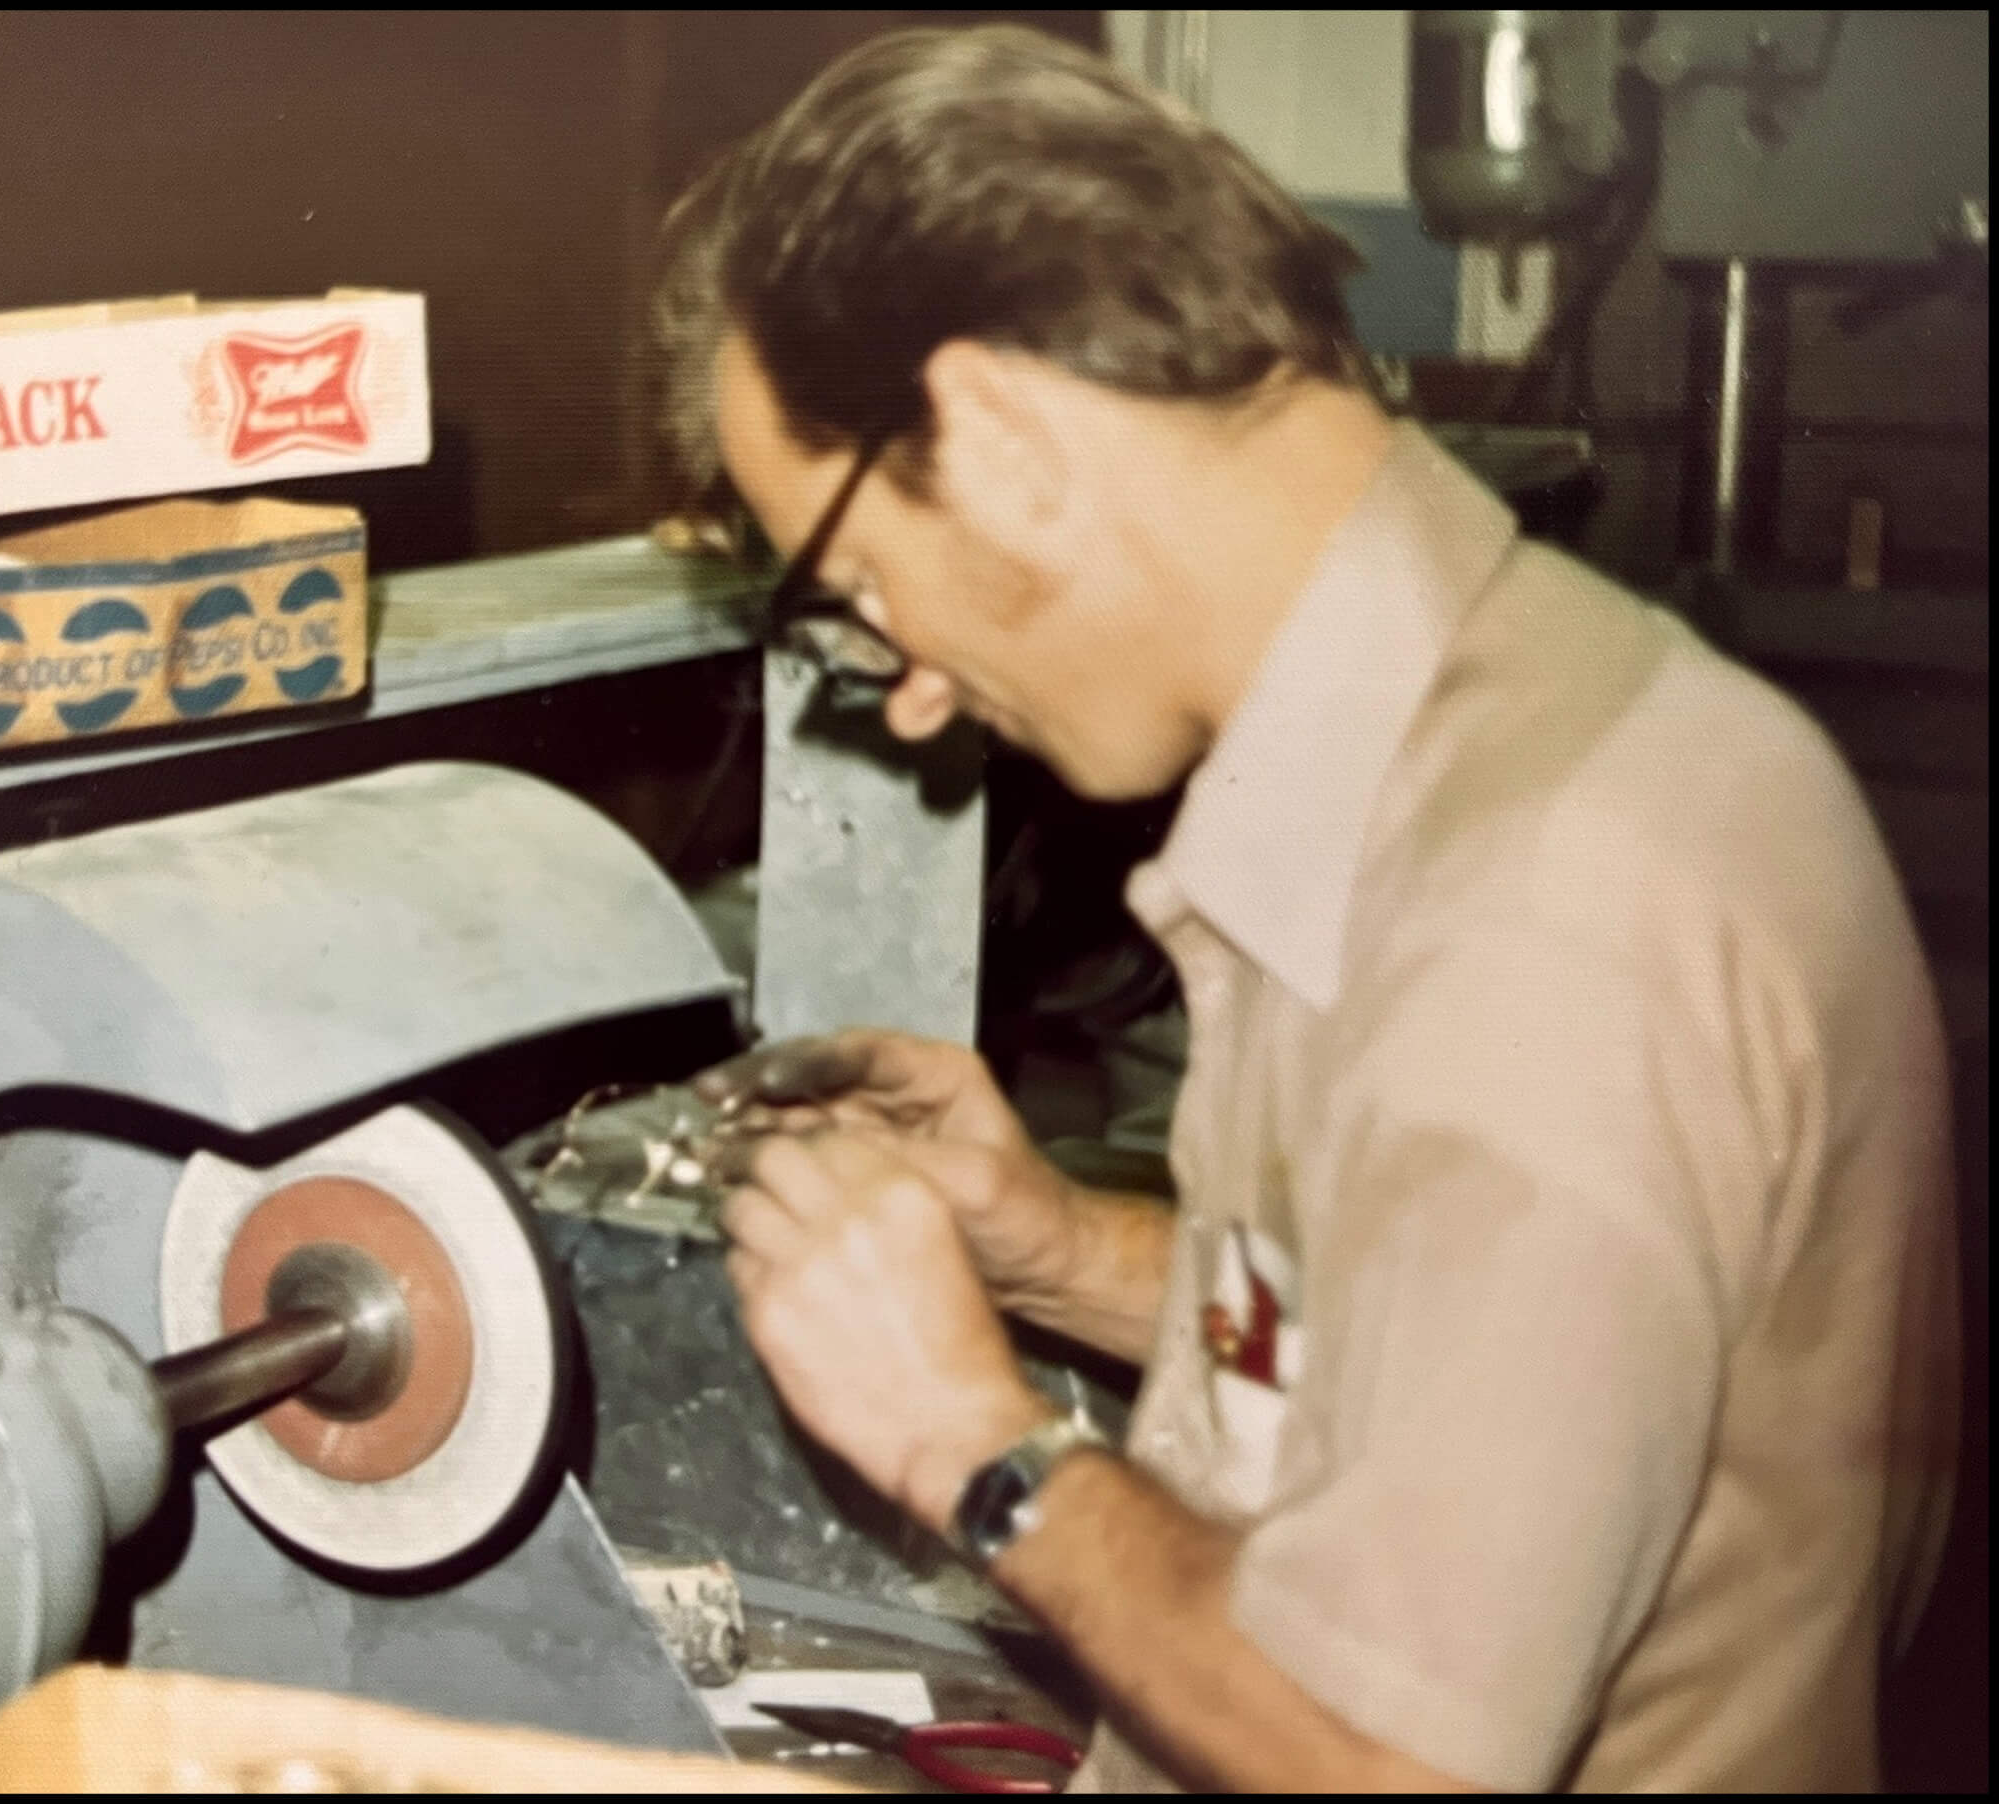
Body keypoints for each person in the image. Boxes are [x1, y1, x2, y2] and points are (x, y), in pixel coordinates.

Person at [659, 25, 1958, 1792]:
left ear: (1005, 438)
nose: (908, 693)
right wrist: (1058, 1251)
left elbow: (1395, 1763)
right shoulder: (1506, 731)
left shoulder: (1534, 904)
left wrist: (976, 1443)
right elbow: (1473, 1374)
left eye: (865, 584)